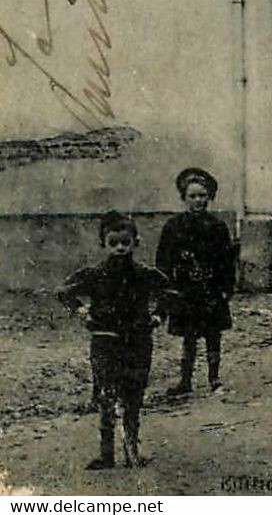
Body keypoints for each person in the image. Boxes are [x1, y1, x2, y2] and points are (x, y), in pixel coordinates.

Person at [58, 212, 169, 469]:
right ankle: (106, 454)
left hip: (137, 341)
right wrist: (81, 311)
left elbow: (169, 292)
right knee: (106, 397)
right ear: (103, 244)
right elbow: (64, 292)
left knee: (133, 395)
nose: (120, 248)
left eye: (125, 242)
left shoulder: (144, 274)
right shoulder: (95, 274)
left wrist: (157, 316)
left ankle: (132, 451)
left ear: (135, 243)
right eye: (113, 243)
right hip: (105, 342)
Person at [155, 167, 235, 396]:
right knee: (189, 338)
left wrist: (226, 289)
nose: (198, 200)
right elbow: (163, 260)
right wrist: (167, 289)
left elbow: (227, 261)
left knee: (213, 336)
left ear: (209, 197)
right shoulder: (173, 227)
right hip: (185, 291)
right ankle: (185, 380)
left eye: (202, 196)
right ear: (183, 198)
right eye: (192, 196)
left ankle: (214, 378)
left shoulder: (218, 227)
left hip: (211, 290)